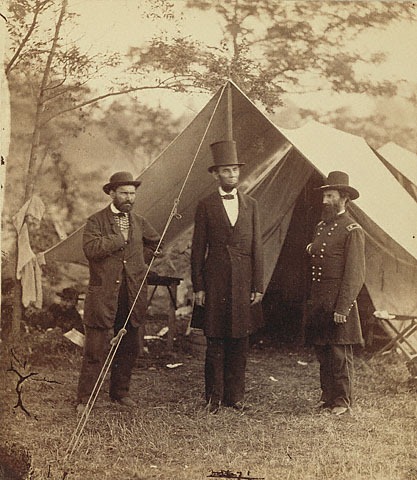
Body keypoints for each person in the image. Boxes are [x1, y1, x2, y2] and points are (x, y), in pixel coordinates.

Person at [76, 171, 160, 412]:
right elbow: (91, 249)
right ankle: (85, 399)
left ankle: (120, 392)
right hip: (103, 294)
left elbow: (156, 242)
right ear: (111, 193)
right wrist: (118, 239)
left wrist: (139, 262)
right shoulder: (96, 221)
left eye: (132, 193)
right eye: (124, 193)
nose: (129, 198)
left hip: (131, 292)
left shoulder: (140, 222)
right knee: (95, 348)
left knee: (129, 344)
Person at [191, 140, 264, 414]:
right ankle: (214, 397)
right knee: (215, 339)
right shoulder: (205, 205)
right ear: (215, 175)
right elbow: (198, 249)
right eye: (226, 170)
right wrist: (198, 286)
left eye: (235, 170)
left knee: (240, 340)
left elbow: (258, 247)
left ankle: (235, 397)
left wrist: (258, 285)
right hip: (215, 280)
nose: (232, 175)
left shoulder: (252, 205)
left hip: (244, 281)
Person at [305, 171, 365, 416]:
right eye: (324, 196)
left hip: (339, 299)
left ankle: (342, 401)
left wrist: (343, 307)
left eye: (330, 196)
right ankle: (328, 397)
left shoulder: (352, 230)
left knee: (339, 353)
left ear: (344, 198)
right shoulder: (321, 226)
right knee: (323, 350)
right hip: (320, 299)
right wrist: (312, 248)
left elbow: (355, 274)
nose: (325, 201)